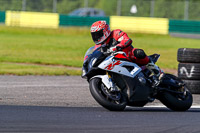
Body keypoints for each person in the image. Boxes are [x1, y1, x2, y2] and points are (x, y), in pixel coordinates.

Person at [90, 20, 163, 87]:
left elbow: (127, 40)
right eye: (94, 35)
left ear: (105, 31)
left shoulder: (116, 33)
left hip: (128, 56)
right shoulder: (98, 46)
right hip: (113, 63)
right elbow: (96, 55)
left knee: (138, 52)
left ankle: (157, 72)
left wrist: (118, 46)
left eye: (98, 34)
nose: (97, 37)